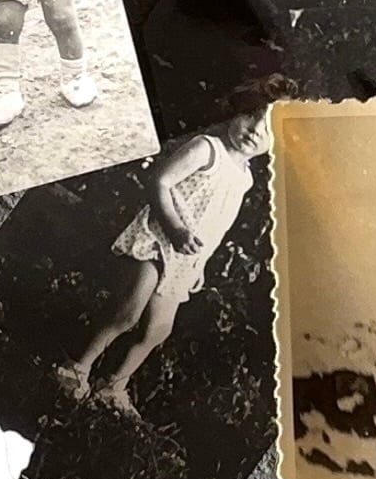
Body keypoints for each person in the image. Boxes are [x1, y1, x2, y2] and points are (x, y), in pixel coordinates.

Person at [58, 101, 271, 416]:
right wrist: (175, 228)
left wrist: (200, 263)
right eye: (251, 115)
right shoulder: (207, 149)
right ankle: (77, 368)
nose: (256, 129)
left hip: (185, 258)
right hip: (158, 238)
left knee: (158, 330)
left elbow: (218, 223)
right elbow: (160, 181)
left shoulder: (245, 178)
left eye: (269, 127)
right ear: (233, 112)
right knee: (127, 313)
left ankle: (113, 386)